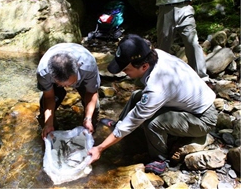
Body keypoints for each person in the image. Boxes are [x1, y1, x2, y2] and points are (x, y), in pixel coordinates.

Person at [88, 34, 217, 174]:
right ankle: (117, 124)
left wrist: (100, 148)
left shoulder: (157, 86)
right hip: (186, 105)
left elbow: (133, 120)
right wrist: (121, 126)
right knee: (137, 96)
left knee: (153, 123)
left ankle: (160, 160)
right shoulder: (154, 54)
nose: (124, 74)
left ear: (144, 66)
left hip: (202, 118)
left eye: (126, 70)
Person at [36, 43, 100, 139]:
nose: (67, 87)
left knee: (95, 108)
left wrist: (88, 118)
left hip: (82, 75)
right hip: (55, 76)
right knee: (44, 112)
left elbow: (91, 92)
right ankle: (50, 134)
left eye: (70, 83)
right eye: (62, 85)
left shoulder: (88, 67)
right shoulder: (43, 72)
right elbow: (49, 97)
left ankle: (89, 132)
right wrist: (48, 124)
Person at [148, 0, 211, 83]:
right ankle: (162, 78)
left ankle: (202, 77)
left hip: (185, 8)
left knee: (192, 42)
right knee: (163, 45)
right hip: (165, 9)